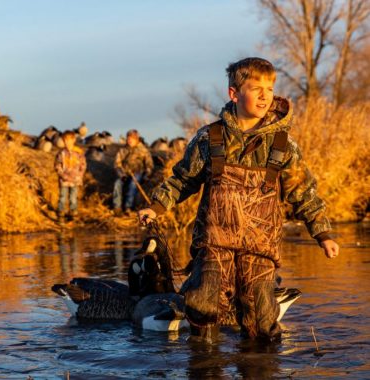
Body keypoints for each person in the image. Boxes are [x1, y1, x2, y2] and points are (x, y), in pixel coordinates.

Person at [138, 57, 339, 343]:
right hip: (214, 244)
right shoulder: (210, 138)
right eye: (255, 88)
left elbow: (303, 192)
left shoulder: (282, 144)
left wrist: (322, 233)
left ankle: (261, 366)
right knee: (204, 307)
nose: (264, 95)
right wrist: (156, 206)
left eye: (269, 88)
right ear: (234, 93)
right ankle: (204, 365)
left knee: (260, 320)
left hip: (260, 248)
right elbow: (184, 179)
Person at [113, 129, 153, 216]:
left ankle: (128, 207)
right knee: (117, 184)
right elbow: (117, 164)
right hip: (125, 174)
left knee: (132, 184)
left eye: (131, 138)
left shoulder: (143, 150)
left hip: (138, 174)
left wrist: (146, 175)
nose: (129, 140)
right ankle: (117, 207)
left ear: (136, 139)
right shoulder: (123, 150)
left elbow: (149, 165)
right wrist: (122, 175)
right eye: (128, 138)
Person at [55, 130, 87, 223]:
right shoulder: (61, 153)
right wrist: (62, 175)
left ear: (73, 140)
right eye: (65, 140)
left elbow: (83, 165)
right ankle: (61, 213)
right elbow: (57, 166)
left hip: (75, 180)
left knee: (73, 197)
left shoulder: (79, 153)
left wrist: (80, 175)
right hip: (64, 180)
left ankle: (73, 212)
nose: (67, 142)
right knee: (62, 197)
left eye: (69, 140)